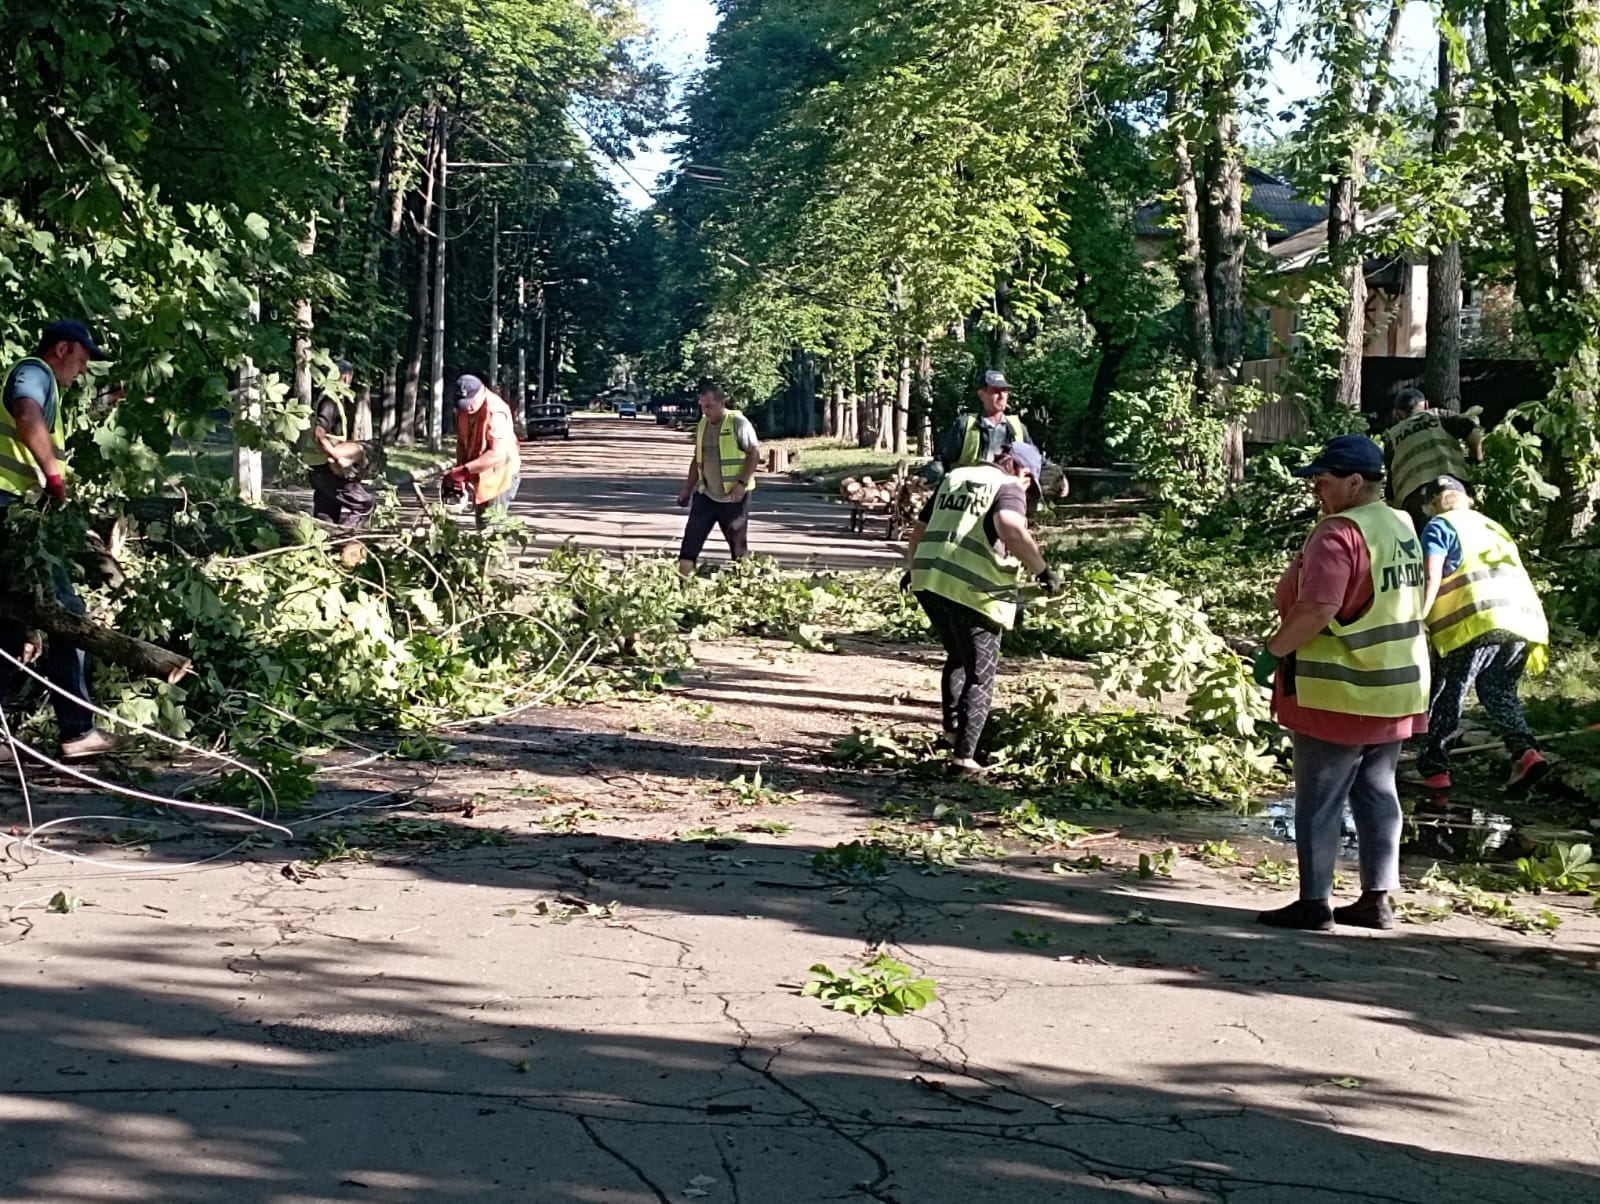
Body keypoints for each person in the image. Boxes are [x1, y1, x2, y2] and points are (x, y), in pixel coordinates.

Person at [1251, 434, 1430, 931]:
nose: (1317, 493)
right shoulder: (1400, 523)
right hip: (1397, 684)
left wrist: (1273, 652)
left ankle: (1314, 902)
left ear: (1355, 482)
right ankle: (1378, 899)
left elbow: (1318, 607)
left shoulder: (1339, 532)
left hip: (1340, 688)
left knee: (1320, 797)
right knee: (1378, 790)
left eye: (1324, 483)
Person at [0, 319, 122, 758]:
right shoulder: (34, 372)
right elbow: (26, 413)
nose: (83, 370)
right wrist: (53, 477)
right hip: (10, 513)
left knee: (11, 622)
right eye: (83, 360)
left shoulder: (49, 385)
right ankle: (77, 730)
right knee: (66, 614)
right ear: (63, 348)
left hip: (14, 512)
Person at [906, 441, 1059, 776]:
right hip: (974, 590)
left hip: (930, 581)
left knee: (958, 657)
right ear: (1023, 471)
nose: (1028, 487)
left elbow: (920, 527)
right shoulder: (1008, 486)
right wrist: (1042, 571)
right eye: (1030, 480)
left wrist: (909, 567)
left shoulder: (956, 477)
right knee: (981, 672)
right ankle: (964, 758)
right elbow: (1011, 527)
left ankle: (953, 732)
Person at [1411, 475, 1549, 791]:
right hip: (1522, 620)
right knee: (1498, 691)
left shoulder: (1439, 526)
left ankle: (1435, 770)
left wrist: (1417, 618)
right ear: (1468, 499)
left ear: (1432, 505)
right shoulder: (1492, 527)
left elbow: (1431, 577)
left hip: (1474, 622)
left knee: (1449, 693)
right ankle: (1525, 752)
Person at [676, 380, 759, 574]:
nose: (705, 411)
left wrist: (741, 484)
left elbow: (754, 454)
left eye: (709, 406)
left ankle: (744, 588)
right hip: (706, 496)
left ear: (722, 403)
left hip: (734, 499)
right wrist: (687, 490)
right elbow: (697, 459)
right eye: (702, 406)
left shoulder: (738, 423)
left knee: (738, 550)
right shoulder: (703, 424)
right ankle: (681, 587)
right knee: (690, 544)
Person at [1384, 387, 1482, 528]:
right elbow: (1473, 433)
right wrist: (1476, 458)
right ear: (1426, 405)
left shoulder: (1392, 437)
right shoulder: (1439, 415)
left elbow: (1391, 484)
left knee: (1429, 542)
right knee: (1463, 535)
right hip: (1453, 487)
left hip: (1416, 499)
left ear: (1399, 414)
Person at [306, 360, 376, 529]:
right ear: (345, 377)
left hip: (316, 466)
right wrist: (337, 457)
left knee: (326, 515)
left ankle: (324, 548)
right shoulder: (330, 400)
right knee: (365, 505)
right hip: (329, 467)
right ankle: (344, 540)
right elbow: (319, 433)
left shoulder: (326, 398)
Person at [445, 374, 521, 526]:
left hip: (500, 474)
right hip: (479, 472)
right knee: (481, 524)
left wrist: (465, 471)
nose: (468, 407)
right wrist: (460, 471)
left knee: (491, 527)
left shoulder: (496, 412)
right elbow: (462, 442)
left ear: (480, 393)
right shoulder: (463, 409)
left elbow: (497, 454)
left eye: (470, 402)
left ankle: (492, 547)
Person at [937, 369, 1030, 471]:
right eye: (996, 391)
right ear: (981, 395)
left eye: (1004, 390)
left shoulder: (1018, 428)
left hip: (1009, 484)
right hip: (972, 485)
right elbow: (942, 461)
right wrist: (926, 476)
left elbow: (1036, 461)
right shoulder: (965, 425)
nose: (1002, 396)